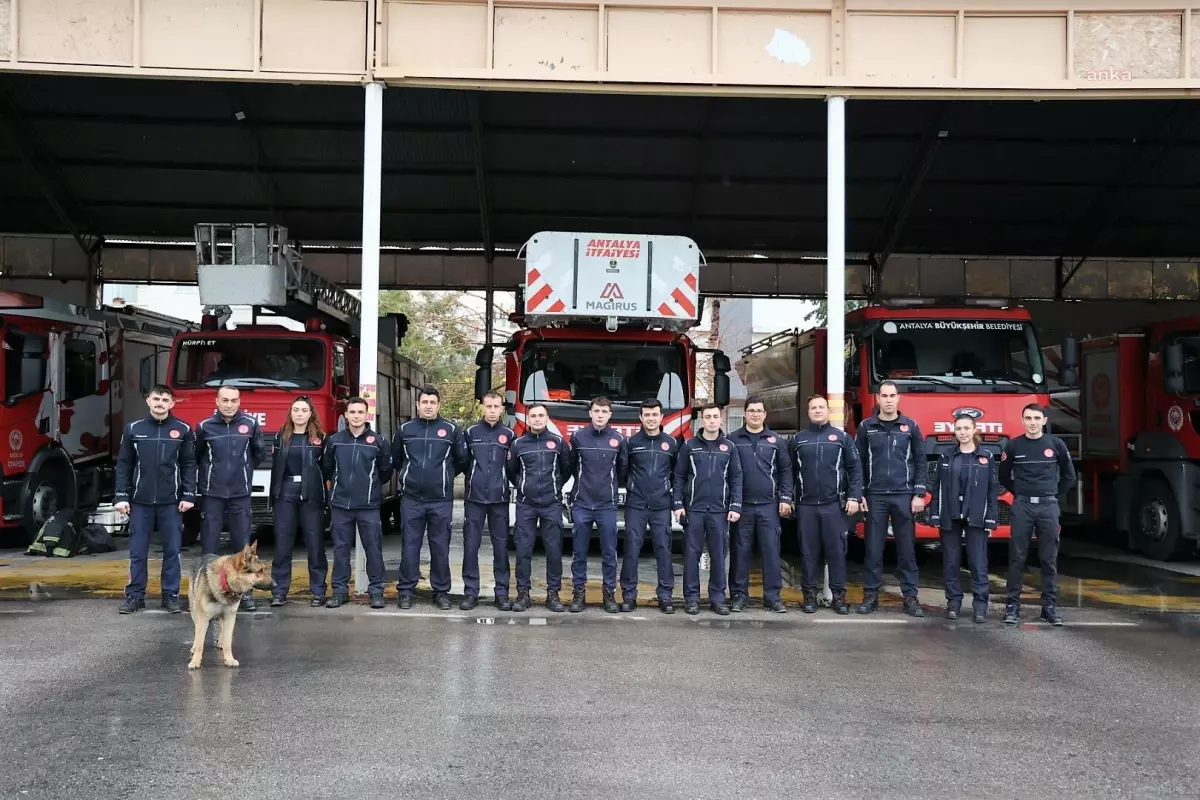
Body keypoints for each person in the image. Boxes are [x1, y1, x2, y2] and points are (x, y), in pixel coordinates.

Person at [115, 385, 198, 615]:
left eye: (165, 399)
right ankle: (134, 596)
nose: (160, 403)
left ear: (172, 403)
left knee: (172, 551)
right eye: (156, 398)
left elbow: (189, 465)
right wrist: (121, 496)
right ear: (148, 401)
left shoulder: (182, 429)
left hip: (171, 502)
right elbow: (124, 464)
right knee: (137, 552)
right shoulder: (133, 429)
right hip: (139, 502)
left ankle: (170, 596)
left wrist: (189, 495)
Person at [998, 403, 1076, 626]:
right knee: (1017, 558)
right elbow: (1003, 476)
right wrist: (1020, 493)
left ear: (1044, 421)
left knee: (1048, 559)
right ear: (1022, 421)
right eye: (1028, 418)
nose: (1032, 422)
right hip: (1022, 506)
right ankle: (1012, 606)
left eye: (1036, 418)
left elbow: (1069, 476)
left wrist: (1051, 496)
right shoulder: (1013, 446)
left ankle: (1049, 607)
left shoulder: (1056, 445)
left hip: (1048, 507)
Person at [856, 380, 927, 617]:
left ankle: (910, 597)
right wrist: (860, 493)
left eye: (892, 395)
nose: (888, 400)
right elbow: (858, 464)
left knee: (907, 550)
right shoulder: (867, 427)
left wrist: (918, 493)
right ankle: (870, 596)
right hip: (875, 496)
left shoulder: (911, 426)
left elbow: (920, 461)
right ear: (877, 399)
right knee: (873, 549)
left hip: (903, 496)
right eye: (884, 396)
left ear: (898, 398)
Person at [789, 394, 863, 614]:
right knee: (808, 553)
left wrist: (854, 497)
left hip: (834, 505)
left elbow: (855, 469)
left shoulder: (842, 438)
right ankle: (809, 596)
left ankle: (838, 597)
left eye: (821, 407)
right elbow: (789, 472)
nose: (818, 410)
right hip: (806, 506)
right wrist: (787, 498)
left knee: (837, 552)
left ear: (828, 411)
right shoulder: (798, 440)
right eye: (814, 408)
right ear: (808, 412)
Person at [195, 385, 267, 611]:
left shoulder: (250, 425)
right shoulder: (204, 427)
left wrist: (242, 473)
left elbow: (259, 454)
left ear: (239, 402)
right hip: (212, 495)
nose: (229, 404)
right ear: (216, 401)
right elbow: (196, 456)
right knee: (209, 547)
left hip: (240, 495)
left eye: (233, 400)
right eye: (224, 400)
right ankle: (208, 592)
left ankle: (245, 595)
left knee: (243, 548)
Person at [391, 386, 463, 610]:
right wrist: (408, 478)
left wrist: (445, 478)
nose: (429, 406)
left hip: (440, 500)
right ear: (417, 405)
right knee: (409, 547)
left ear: (439, 405)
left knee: (440, 547)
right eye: (425, 402)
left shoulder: (451, 429)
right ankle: (405, 591)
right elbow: (396, 460)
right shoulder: (404, 429)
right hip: (412, 499)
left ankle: (441, 592)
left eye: (433, 402)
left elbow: (461, 460)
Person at [321, 397, 392, 609]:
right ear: (346, 415)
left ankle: (376, 591)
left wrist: (370, 487)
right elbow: (327, 468)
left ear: (366, 415)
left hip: (368, 505)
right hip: (341, 505)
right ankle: (340, 592)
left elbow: (386, 471)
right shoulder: (334, 441)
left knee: (373, 549)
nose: (356, 416)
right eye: (352, 412)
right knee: (341, 550)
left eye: (360, 412)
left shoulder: (378, 441)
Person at [672, 403, 742, 616]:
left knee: (718, 556)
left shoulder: (729, 447)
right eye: (708, 417)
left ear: (721, 419)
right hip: (694, 509)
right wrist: (677, 504)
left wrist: (735, 505)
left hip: (720, 511)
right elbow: (679, 476)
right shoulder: (689, 446)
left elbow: (736, 477)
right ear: (702, 420)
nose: (712, 420)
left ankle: (717, 598)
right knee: (692, 556)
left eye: (715, 416)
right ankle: (691, 599)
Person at [928, 413, 997, 623]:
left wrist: (991, 517)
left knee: (978, 562)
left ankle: (980, 607)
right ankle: (953, 603)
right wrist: (935, 513)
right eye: (959, 429)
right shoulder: (946, 456)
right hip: (950, 514)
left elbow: (991, 490)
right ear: (954, 431)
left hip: (976, 515)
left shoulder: (986, 457)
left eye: (967, 428)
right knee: (951, 562)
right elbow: (937, 487)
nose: (963, 433)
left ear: (975, 430)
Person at [727, 395, 793, 613]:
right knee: (739, 553)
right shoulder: (732, 440)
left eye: (759, 411)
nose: (755, 414)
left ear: (765, 415)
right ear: (745, 413)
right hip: (742, 506)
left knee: (771, 552)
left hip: (769, 506)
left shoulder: (775, 440)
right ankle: (738, 596)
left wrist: (785, 498)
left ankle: (772, 597)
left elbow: (785, 471)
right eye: (751, 410)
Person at [507, 402, 572, 612]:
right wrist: (523, 487)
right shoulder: (518, 444)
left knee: (553, 551)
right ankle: (523, 594)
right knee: (523, 551)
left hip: (551, 505)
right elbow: (511, 471)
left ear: (546, 418)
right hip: (526, 505)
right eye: (533, 416)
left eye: (541, 416)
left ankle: (553, 595)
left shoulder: (558, 443)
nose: (537, 419)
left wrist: (555, 487)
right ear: (528, 419)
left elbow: (567, 469)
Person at [619, 398, 680, 614]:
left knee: (663, 550)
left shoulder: (671, 443)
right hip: (636, 504)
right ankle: (629, 596)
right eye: (647, 415)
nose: (651, 418)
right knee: (631, 551)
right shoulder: (631, 443)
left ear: (661, 417)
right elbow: (623, 471)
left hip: (661, 505)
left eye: (655, 414)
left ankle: (665, 596)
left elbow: (676, 475)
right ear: (641, 417)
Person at [567, 396, 627, 613]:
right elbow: (571, 467)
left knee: (610, 552)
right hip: (582, 504)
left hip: (607, 506)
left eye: (604, 412)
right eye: (596, 411)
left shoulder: (618, 439)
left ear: (610, 415)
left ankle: (609, 594)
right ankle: (578, 594)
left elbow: (623, 470)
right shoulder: (578, 437)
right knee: (579, 552)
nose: (600, 415)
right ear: (590, 413)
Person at [268, 396, 329, 608]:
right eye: (296, 409)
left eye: (304, 410)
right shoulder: (280, 437)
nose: (300, 413)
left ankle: (318, 592)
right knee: (283, 544)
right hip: (285, 493)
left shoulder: (320, 438)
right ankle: (279, 591)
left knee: (315, 545)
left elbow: (327, 468)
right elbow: (275, 467)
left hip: (311, 495)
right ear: (290, 413)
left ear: (311, 413)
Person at [460, 391, 516, 611]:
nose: (492, 411)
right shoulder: (470, 433)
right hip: (474, 500)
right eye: (488, 406)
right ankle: (470, 592)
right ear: (482, 407)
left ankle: (501, 593)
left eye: (496, 407)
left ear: (502, 408)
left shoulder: (509, 435)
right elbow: (463, 462)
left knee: (501, 548)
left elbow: (512, 468)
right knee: (471, 546)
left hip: (499, 500)